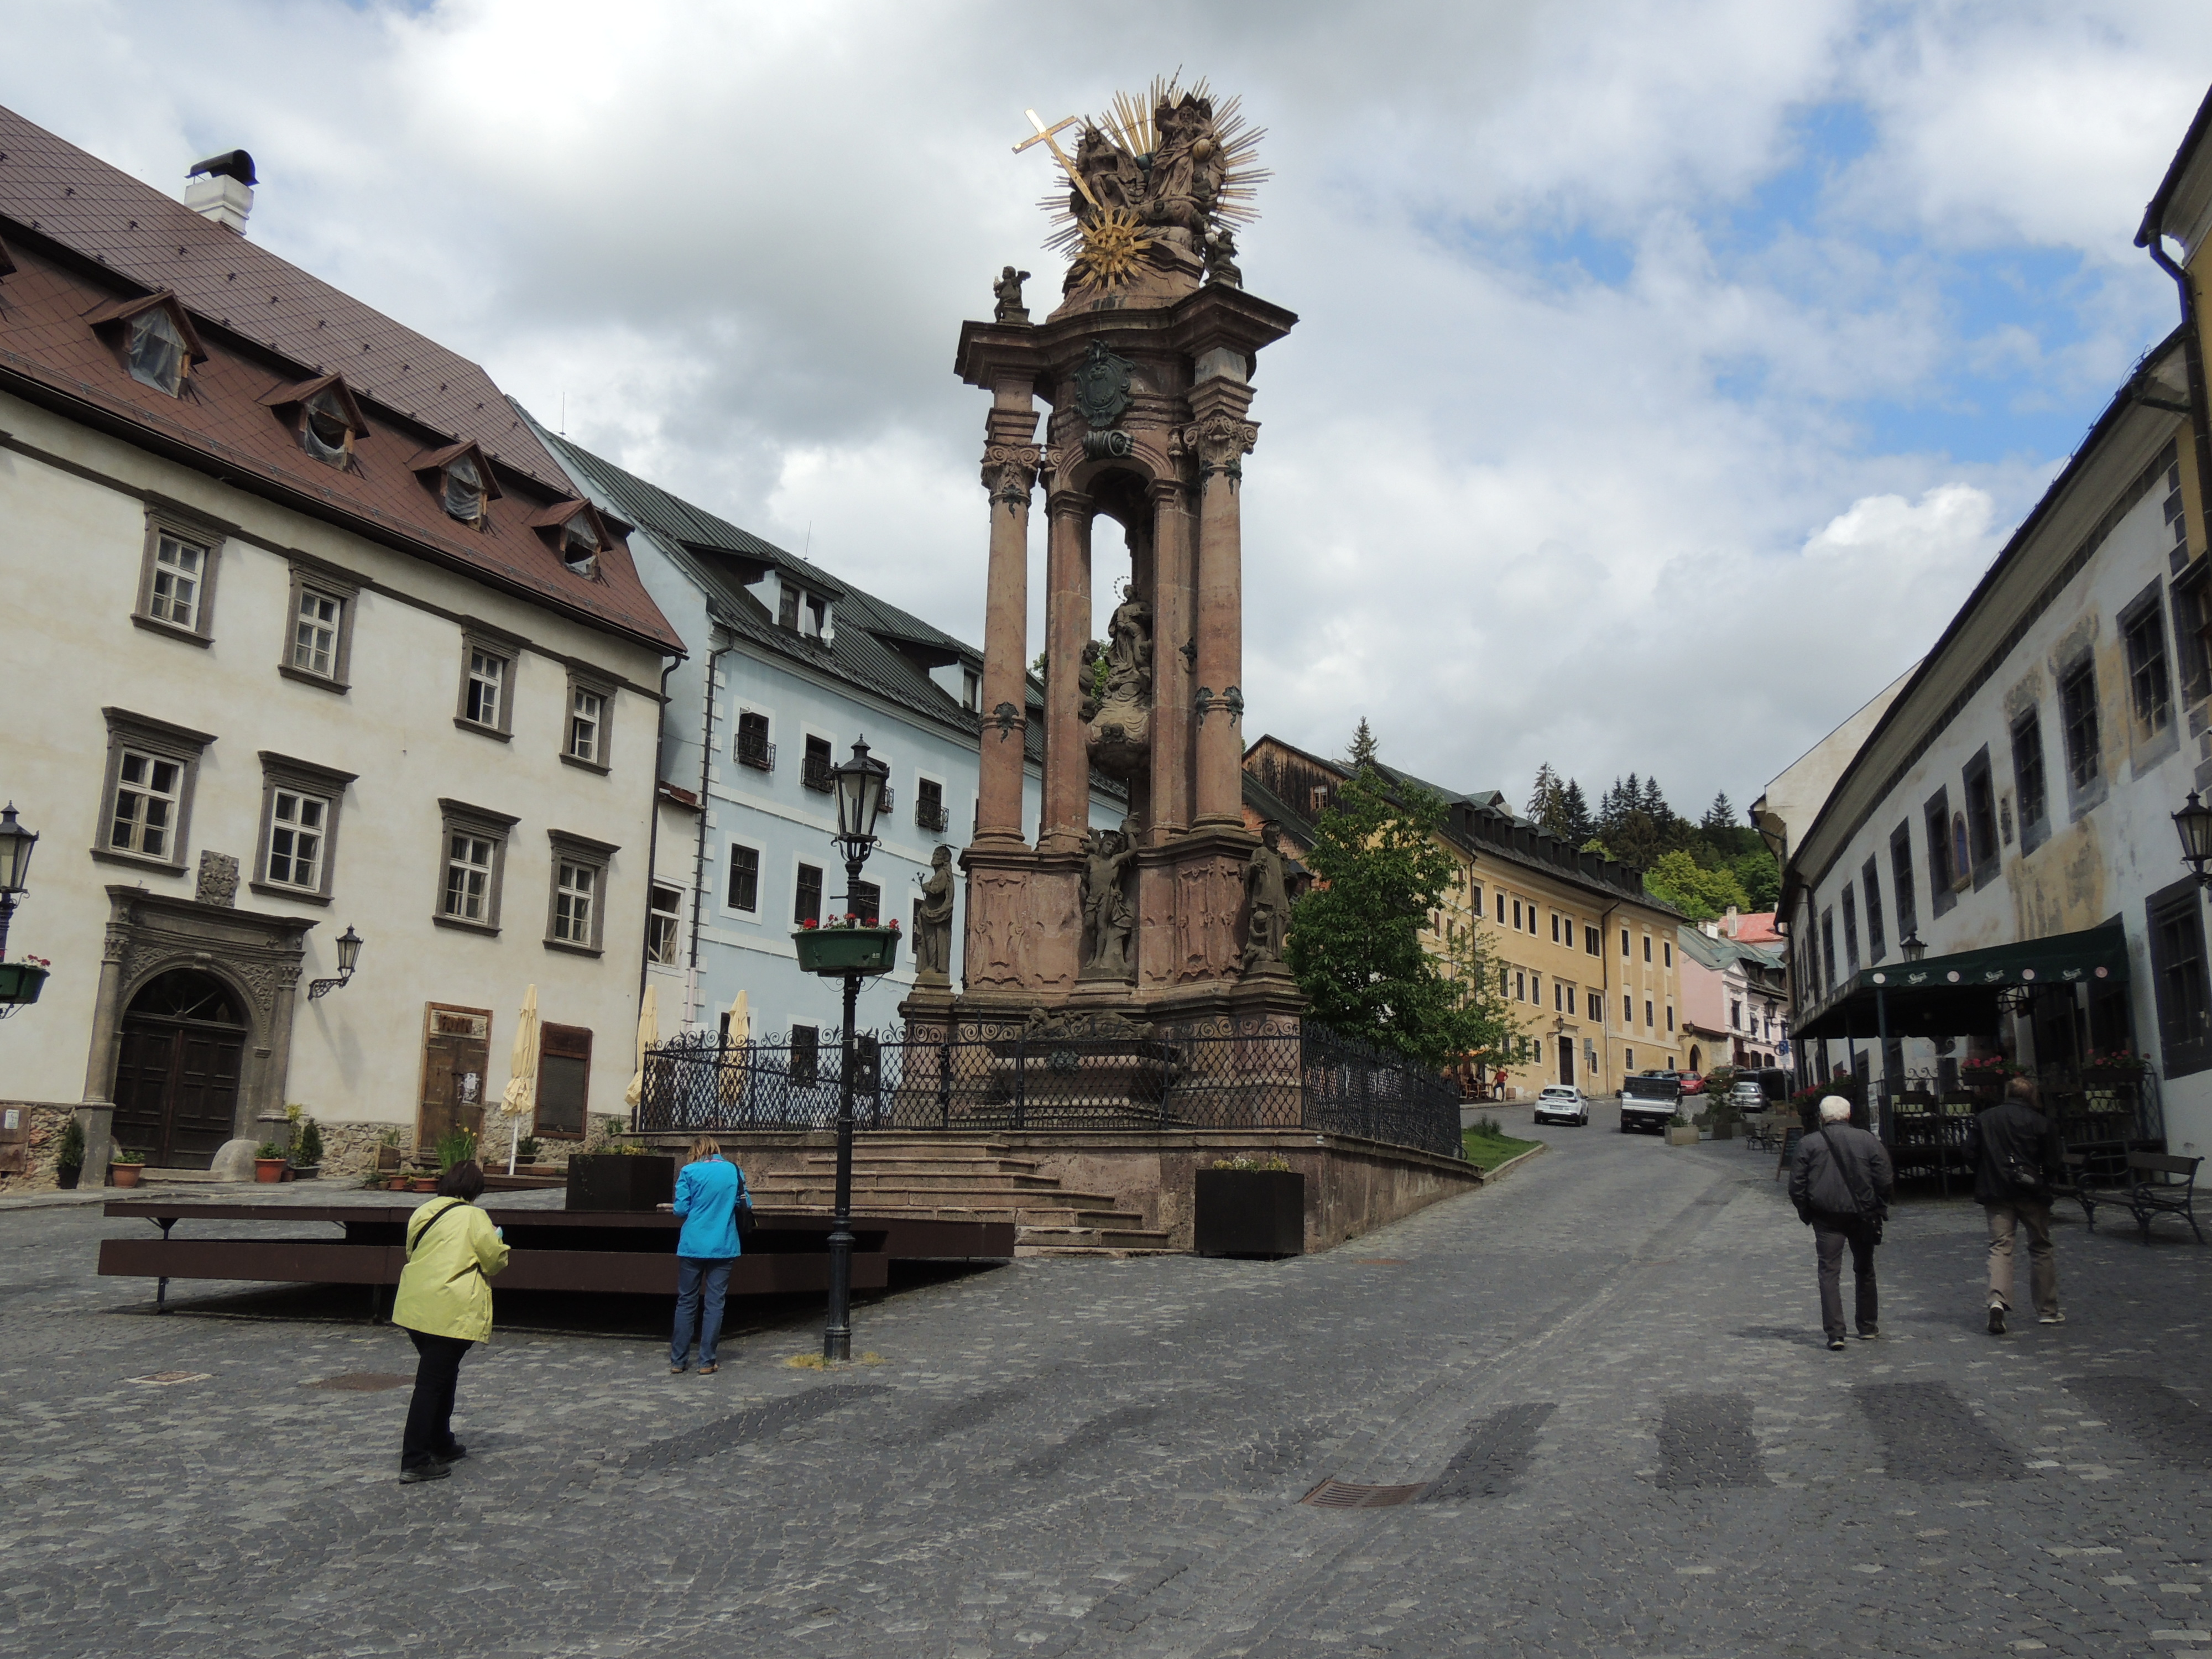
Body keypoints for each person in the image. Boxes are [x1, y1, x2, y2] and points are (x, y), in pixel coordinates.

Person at [391, 1160, 509, 1484]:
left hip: (415, 1306)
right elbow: (494, 1260)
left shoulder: (423, 1211)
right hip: (451, 1309)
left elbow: (411, 1251)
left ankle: (441, 1441)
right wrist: (499, 1239)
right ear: (476, 1190)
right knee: (431, 1383)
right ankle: (414, 1458)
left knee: (442, 1374)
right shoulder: (475, 1216)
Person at [1788, 1095, 1895, 1351]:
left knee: (1829, 1272)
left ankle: (1836, 1333)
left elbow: (1796, 1185)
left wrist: (1807, 1211)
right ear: (1849, 1115)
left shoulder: (1809, 1143)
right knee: (1865, 1268)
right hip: (1862, 1215)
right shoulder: (1868, 1140)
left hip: (1826, 1217)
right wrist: (1877, 1202)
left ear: (1822, 1117)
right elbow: (1885, 1177)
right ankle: (1868, 1326)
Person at [1965, 1074, 2066, 1334]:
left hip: (1996, 1192)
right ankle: (2047, 1310)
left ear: (2007, 1093)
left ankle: (1998, 1302)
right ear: (2032, 1096)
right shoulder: (2041, 1122)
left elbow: (1969, 1154)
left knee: (2000, 1248)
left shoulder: (1985, 1119)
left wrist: (1987, 1172)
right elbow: (2054, 1161)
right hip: (2032, 1193)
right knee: (2041, 1247)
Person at [669, 1135, 745, 1376]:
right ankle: (706, 1361)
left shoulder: (689, 1171)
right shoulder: (734, 1171)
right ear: (716, 1150)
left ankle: (678, 1361)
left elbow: (680, 1210)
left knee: (686, 1302)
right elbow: (746, 1204)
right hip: (723, 1244)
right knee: (715, 1304)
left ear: (696, 1151)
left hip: (693, 1244)